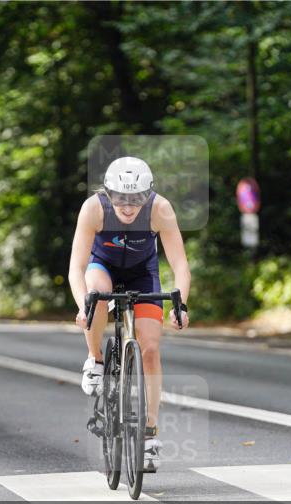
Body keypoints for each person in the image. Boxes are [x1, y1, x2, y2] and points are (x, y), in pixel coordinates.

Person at [68, 157, 191, 472]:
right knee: (96, 295)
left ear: (148, 194)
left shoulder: (160, 209)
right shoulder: (93, 209)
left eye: (136, 198)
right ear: (108, 193)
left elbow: (180, 264)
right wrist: (82, 305)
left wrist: (181, 305)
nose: (127, 206)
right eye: (120, 198)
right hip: (102, 267)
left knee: (150, 349)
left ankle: (149, 434)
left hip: (142, 274)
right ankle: (96, 359)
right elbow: (76, 268)